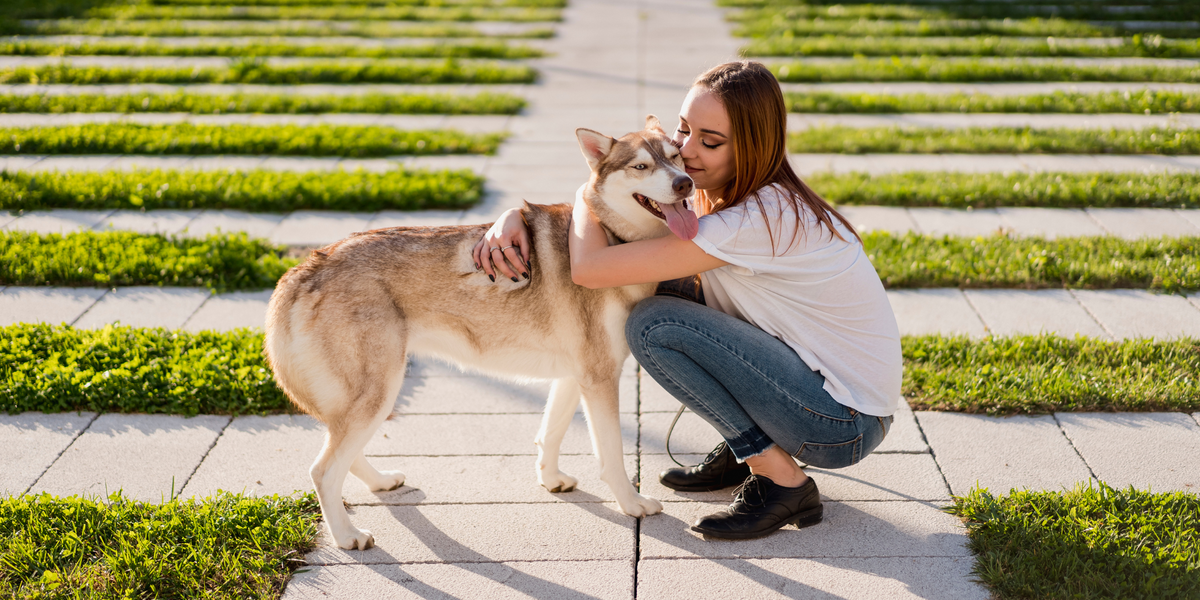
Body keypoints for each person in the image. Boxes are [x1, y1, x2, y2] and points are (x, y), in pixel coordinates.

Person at [472, 60, 902, 540]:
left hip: (841, 423)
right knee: (652, 290)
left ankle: (781, 479)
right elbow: (622, 214)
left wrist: (590, 181)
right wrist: (517, 215)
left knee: (654, 323)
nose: (686, 155)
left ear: (752, 147)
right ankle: (750, 447)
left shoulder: (755, 219)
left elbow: (590, 269)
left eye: (711, 142)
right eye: (683, 132)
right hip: (824, 391)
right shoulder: (718, 195)